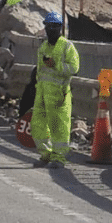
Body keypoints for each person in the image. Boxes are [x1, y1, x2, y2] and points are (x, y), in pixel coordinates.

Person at [30, 11, 79, 169]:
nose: (51, 29)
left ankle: (59, 158)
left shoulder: (67, 46)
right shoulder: (43, 46)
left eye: (55, 26)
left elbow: (74, 67)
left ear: (60, 28)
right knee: (38, 125)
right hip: (42, 93)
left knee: (59, 127)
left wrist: (56, 65)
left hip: (59, 95)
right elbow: (40, 70)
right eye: (49, 26)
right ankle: (46, 154)